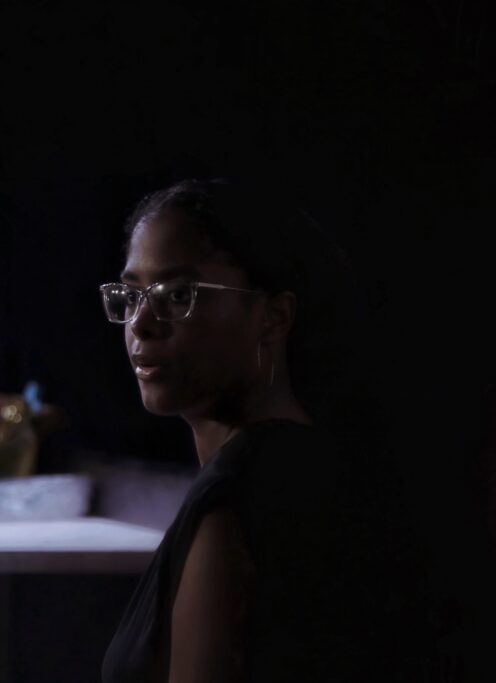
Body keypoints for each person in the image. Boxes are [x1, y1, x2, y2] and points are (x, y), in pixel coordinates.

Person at [99, 178, 430, 682]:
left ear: (273, 317)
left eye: (178, 294)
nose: (140, 323)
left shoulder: (243, 497)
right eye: (131, 295)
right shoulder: (298, 470)